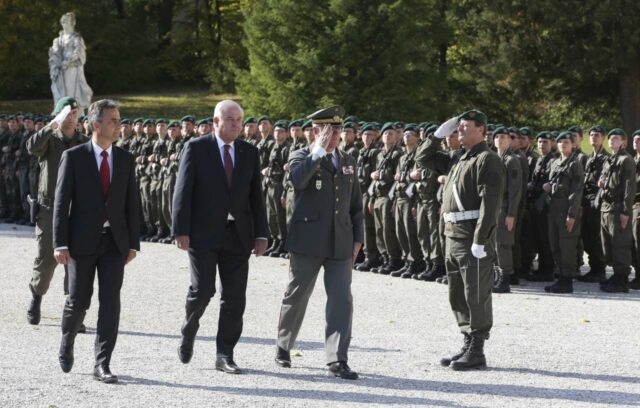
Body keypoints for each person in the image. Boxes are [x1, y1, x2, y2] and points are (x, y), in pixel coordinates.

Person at [172, 100, 268, 374]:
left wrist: (261, 233)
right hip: (203, 234)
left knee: (235, 297)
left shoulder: (249, 152)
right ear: (216, 122)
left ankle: (224, 353)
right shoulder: (196, 148)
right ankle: (189, 328)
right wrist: (181, 230)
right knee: (203, 290)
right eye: (230, 120)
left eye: (239, 120)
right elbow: (183, 190)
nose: (237, 125)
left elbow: (255, 197)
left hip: (238, 235)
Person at [53, 99, 140, 383]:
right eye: (113, 120)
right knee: (78, 300)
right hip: (81, 242)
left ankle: (102, 363)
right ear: (95, 124)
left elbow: (132, 204)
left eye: (119, 120)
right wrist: (60, 243)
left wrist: (133, 243)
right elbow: (61, 202)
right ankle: (67, 341)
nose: (119, 125)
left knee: (110, 302)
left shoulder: (125, 159)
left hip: (114, 242)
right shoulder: (75, 157)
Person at [275, 105, 363, 380]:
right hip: (308, 240)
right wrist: (318, 151)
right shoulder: (301, 155)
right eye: (329, 130)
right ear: (315, 131)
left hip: (340, 240)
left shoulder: (348, 159)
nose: (336, 135)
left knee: (341, 299)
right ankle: (284, 344)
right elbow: (298, 180)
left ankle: (337, 359)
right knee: (297, 294)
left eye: (338, 130)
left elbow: (356, 205)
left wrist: (358, 238)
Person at [416, 110, 504, 370]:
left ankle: (477, 349)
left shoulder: (487, 159)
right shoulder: (458, 158)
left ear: (482, 130)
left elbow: (491, 204)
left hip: (470, 237)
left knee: (475, 292)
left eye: (466, 126)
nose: (460, 130)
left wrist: (481, 239)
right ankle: (466, 341)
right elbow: (423, 158)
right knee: (457, 293)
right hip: (452, 234)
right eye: (458, 127)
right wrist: (437, 135)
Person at [26, 97, 89, 327]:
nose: (71, 116)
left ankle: (72, 312)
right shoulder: (50, 141)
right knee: (46, 259)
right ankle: (36, 296)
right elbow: (31, 147)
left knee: (75, 262)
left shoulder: (84, 142)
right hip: (50, 209)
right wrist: (53, 124)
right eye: (67, 112)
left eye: (74, 112)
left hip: (77, 212)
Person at [542, 132, 584, 293]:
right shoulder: (555, 162)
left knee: (567, 245)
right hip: (553, 209)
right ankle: (560, 277)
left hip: (566, 208)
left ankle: (567, 280)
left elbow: (577, 191)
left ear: (573, 145)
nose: (563, 144)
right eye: (560, 142)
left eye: (566, 142)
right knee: (555, 244)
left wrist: (571, 214)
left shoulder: (575, 164)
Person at [598, 128, 636, 293]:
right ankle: (615, 274)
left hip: (618, 207)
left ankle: (622, 279)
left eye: (616, 139)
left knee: (620, 244)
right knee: (608, 245)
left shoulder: (626, 160)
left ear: (623, 142)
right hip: (606, 207)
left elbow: (629, 188)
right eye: (611, 139)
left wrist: (626, 211)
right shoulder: (609, 159)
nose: (612, 141)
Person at [492, 127, 522, 293]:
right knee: (493, 243)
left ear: (509, 141)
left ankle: (505, 279)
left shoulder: (511, 160)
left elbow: (515, 190)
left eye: (503, 137)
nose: (499, 140)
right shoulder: (494, 158)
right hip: (493, 207)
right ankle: (496, 276)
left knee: (502, 243)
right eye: (497, 137)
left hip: (504, 208)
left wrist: (511, 214)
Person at [48, 12, 93, 111]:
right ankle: (60, 110)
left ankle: (73, 111)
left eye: (67, 22)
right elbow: (54, 54)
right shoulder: (58, 40)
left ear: (73, 23)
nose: (65, 24)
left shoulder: (76, 38)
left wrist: (68, 63)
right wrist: (56, 65)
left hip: (72, 69)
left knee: (71, 91)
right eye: (63, 22)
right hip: (61, 69)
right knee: (59, 91)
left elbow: (79, 54)